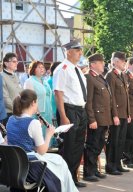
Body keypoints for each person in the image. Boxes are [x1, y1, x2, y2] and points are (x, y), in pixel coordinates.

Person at [6, 89, 78, 192]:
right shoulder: (33, 123)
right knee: (60, 162)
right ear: (33, 103)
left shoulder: (11, 119)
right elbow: (42, 151)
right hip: (30, 165)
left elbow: (20, 141)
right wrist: (49, 135)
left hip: (16, 164)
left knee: (58, 161)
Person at [53, 39, 87, 188]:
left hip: (80, 110)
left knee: (78, 146)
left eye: (80, 50)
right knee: (68, 147)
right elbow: (58, 94)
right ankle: (64, 180)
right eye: (77, 50)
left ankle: (73, 177)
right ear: (68, 51)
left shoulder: (77, 69)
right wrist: (64, 116)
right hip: (69, 110)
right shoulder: (62, 68)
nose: (80, 53)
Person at [83, 53, 111, 182]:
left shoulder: (100, 77)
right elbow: (88, 101)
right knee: (92, 145)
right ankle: (88, 172)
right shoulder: (89, 77)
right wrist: (92, 119)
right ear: (93, 64)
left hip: (104, 118)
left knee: (99, 145)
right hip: (96, 119)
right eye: (100, 62)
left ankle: (94, 170)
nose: (103, 64)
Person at [105, 51, 130, 175]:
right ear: (115, 62)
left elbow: (126, 96)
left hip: (124, 114)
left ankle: (118, 163)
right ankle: (110, 165)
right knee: (114, 140)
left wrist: (128, 113)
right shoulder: (111, 75)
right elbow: (111, 97)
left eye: (124, 61)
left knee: (121, 140)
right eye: (122, 61)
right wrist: (114, 114)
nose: (124, 63)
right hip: (116, 114)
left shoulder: (122, 75)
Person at [24, 61, 53, 141]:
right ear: (33, 69)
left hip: (48, 112)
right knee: (39, 137)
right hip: (37, 114)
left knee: (47, 136)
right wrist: (37, 113)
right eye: (39, 67)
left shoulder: (45, 81)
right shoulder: (30, 81)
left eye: (42, 67)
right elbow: (28, 99)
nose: (42, 69)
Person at [1, 52, 23, 126]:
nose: (16, 63)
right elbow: (5, 98)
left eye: (17, 61)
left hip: (18, 113)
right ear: (6, 63)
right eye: (14, 61)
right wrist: (18, 109)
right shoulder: (1, 76)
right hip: (8, 115)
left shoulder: (15, 76)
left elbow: (20, 92)